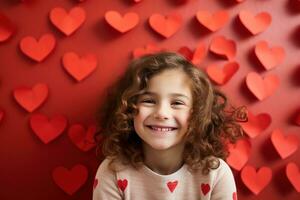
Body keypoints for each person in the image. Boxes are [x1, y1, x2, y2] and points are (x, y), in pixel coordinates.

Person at [93, 52, 246, 200]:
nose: (161, 113)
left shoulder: (216, 174)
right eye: (149, 101)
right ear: (129, 109)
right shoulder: (113, 171)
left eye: (177, 103)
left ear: (196, 114)